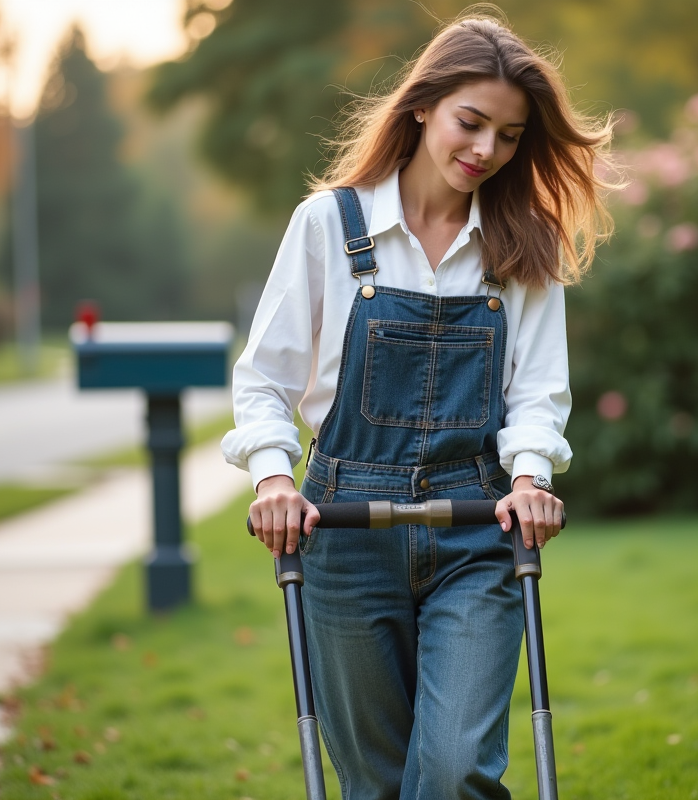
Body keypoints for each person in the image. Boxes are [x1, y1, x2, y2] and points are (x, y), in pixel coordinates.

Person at [222, 10, 616, 799]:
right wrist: (273, 478)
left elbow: (537, 391)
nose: (486, 151)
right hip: (343, 535)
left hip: (476, 532)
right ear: (422, 106)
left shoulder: (523, 246)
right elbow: (264, 379)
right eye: (471, 124)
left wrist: (531, 477)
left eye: (508, 136)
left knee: (452, 773)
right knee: (374, 782)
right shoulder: (329, 226)